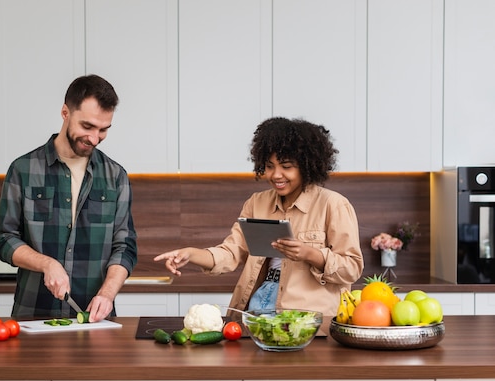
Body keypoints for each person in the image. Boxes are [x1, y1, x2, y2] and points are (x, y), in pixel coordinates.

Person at [154, 117, 363, 318]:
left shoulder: (333, 204)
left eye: (286, 167)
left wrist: (311, 254)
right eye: (270, 166)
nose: (276, 175)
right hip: (257, 309)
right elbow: (232, 252)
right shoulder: (257, 202)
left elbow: (352, 268)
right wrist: (191, 254)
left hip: (308, 319)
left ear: (306, 166)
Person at [0, 74, 138, 321]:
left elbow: (125, 247)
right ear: (65, 113)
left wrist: (108, 293)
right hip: (33, 314)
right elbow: (4, 239)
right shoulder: (23, 170)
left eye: (103, 130)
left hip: (95, 318)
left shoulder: (116, 176)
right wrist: (46, 264)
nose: (94, 138)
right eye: (87, 126)